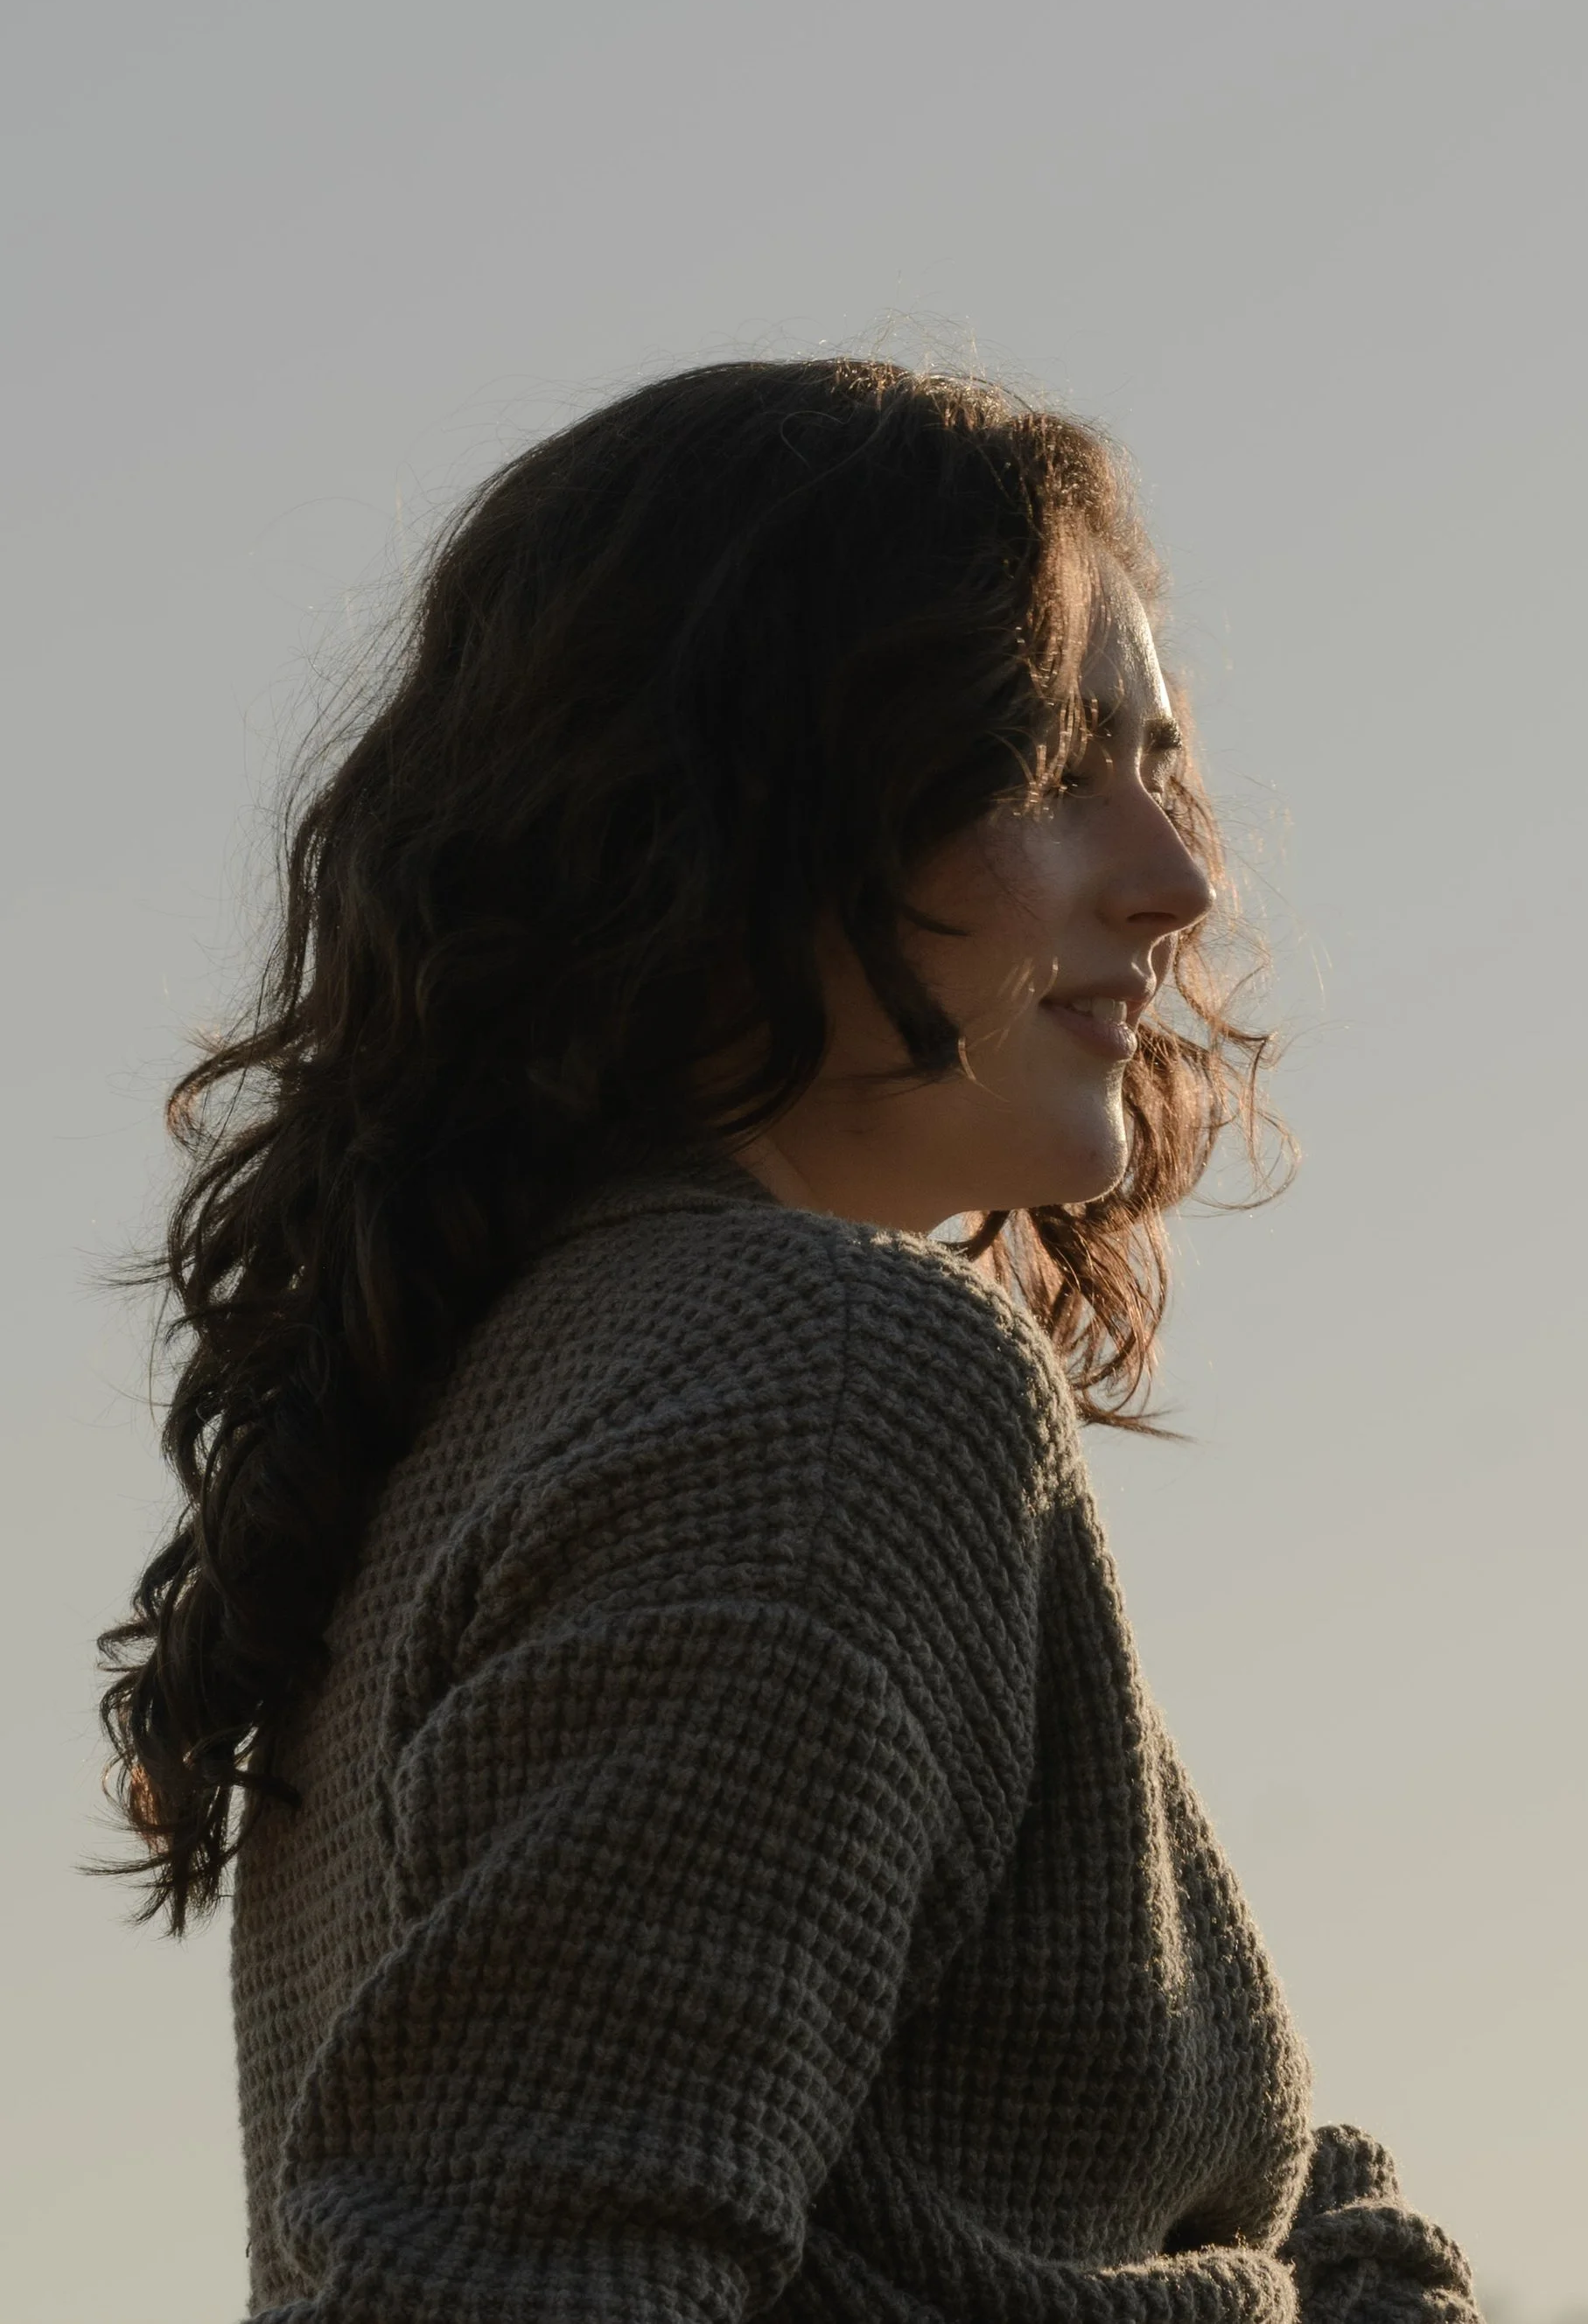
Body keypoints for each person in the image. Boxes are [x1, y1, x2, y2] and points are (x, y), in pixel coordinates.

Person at [101, 359, 1476, 2324]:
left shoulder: (542, 1386)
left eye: (1158, 766)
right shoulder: (811, 1383)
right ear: (738, 805)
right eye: (1052, 772)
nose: (1177, 883)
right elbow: (518, 2281)